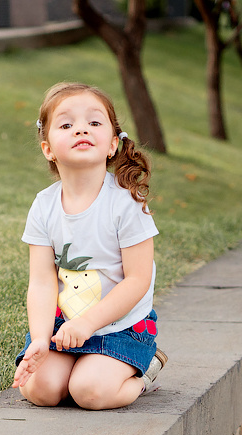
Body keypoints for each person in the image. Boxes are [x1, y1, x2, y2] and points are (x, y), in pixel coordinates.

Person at [12, 82, 166, 410]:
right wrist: (40, 338)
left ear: (112, 144)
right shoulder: (44, 206)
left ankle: (145, 372)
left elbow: (137, 280)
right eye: (67, 124)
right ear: (48, 148)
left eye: (94, 122)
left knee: (90, 392)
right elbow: (41, 281)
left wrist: (86, 324)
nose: (81, 129)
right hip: (63, 327)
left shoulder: (126, 204)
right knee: (40, 389)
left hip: (120, 327)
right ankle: (74, 365)